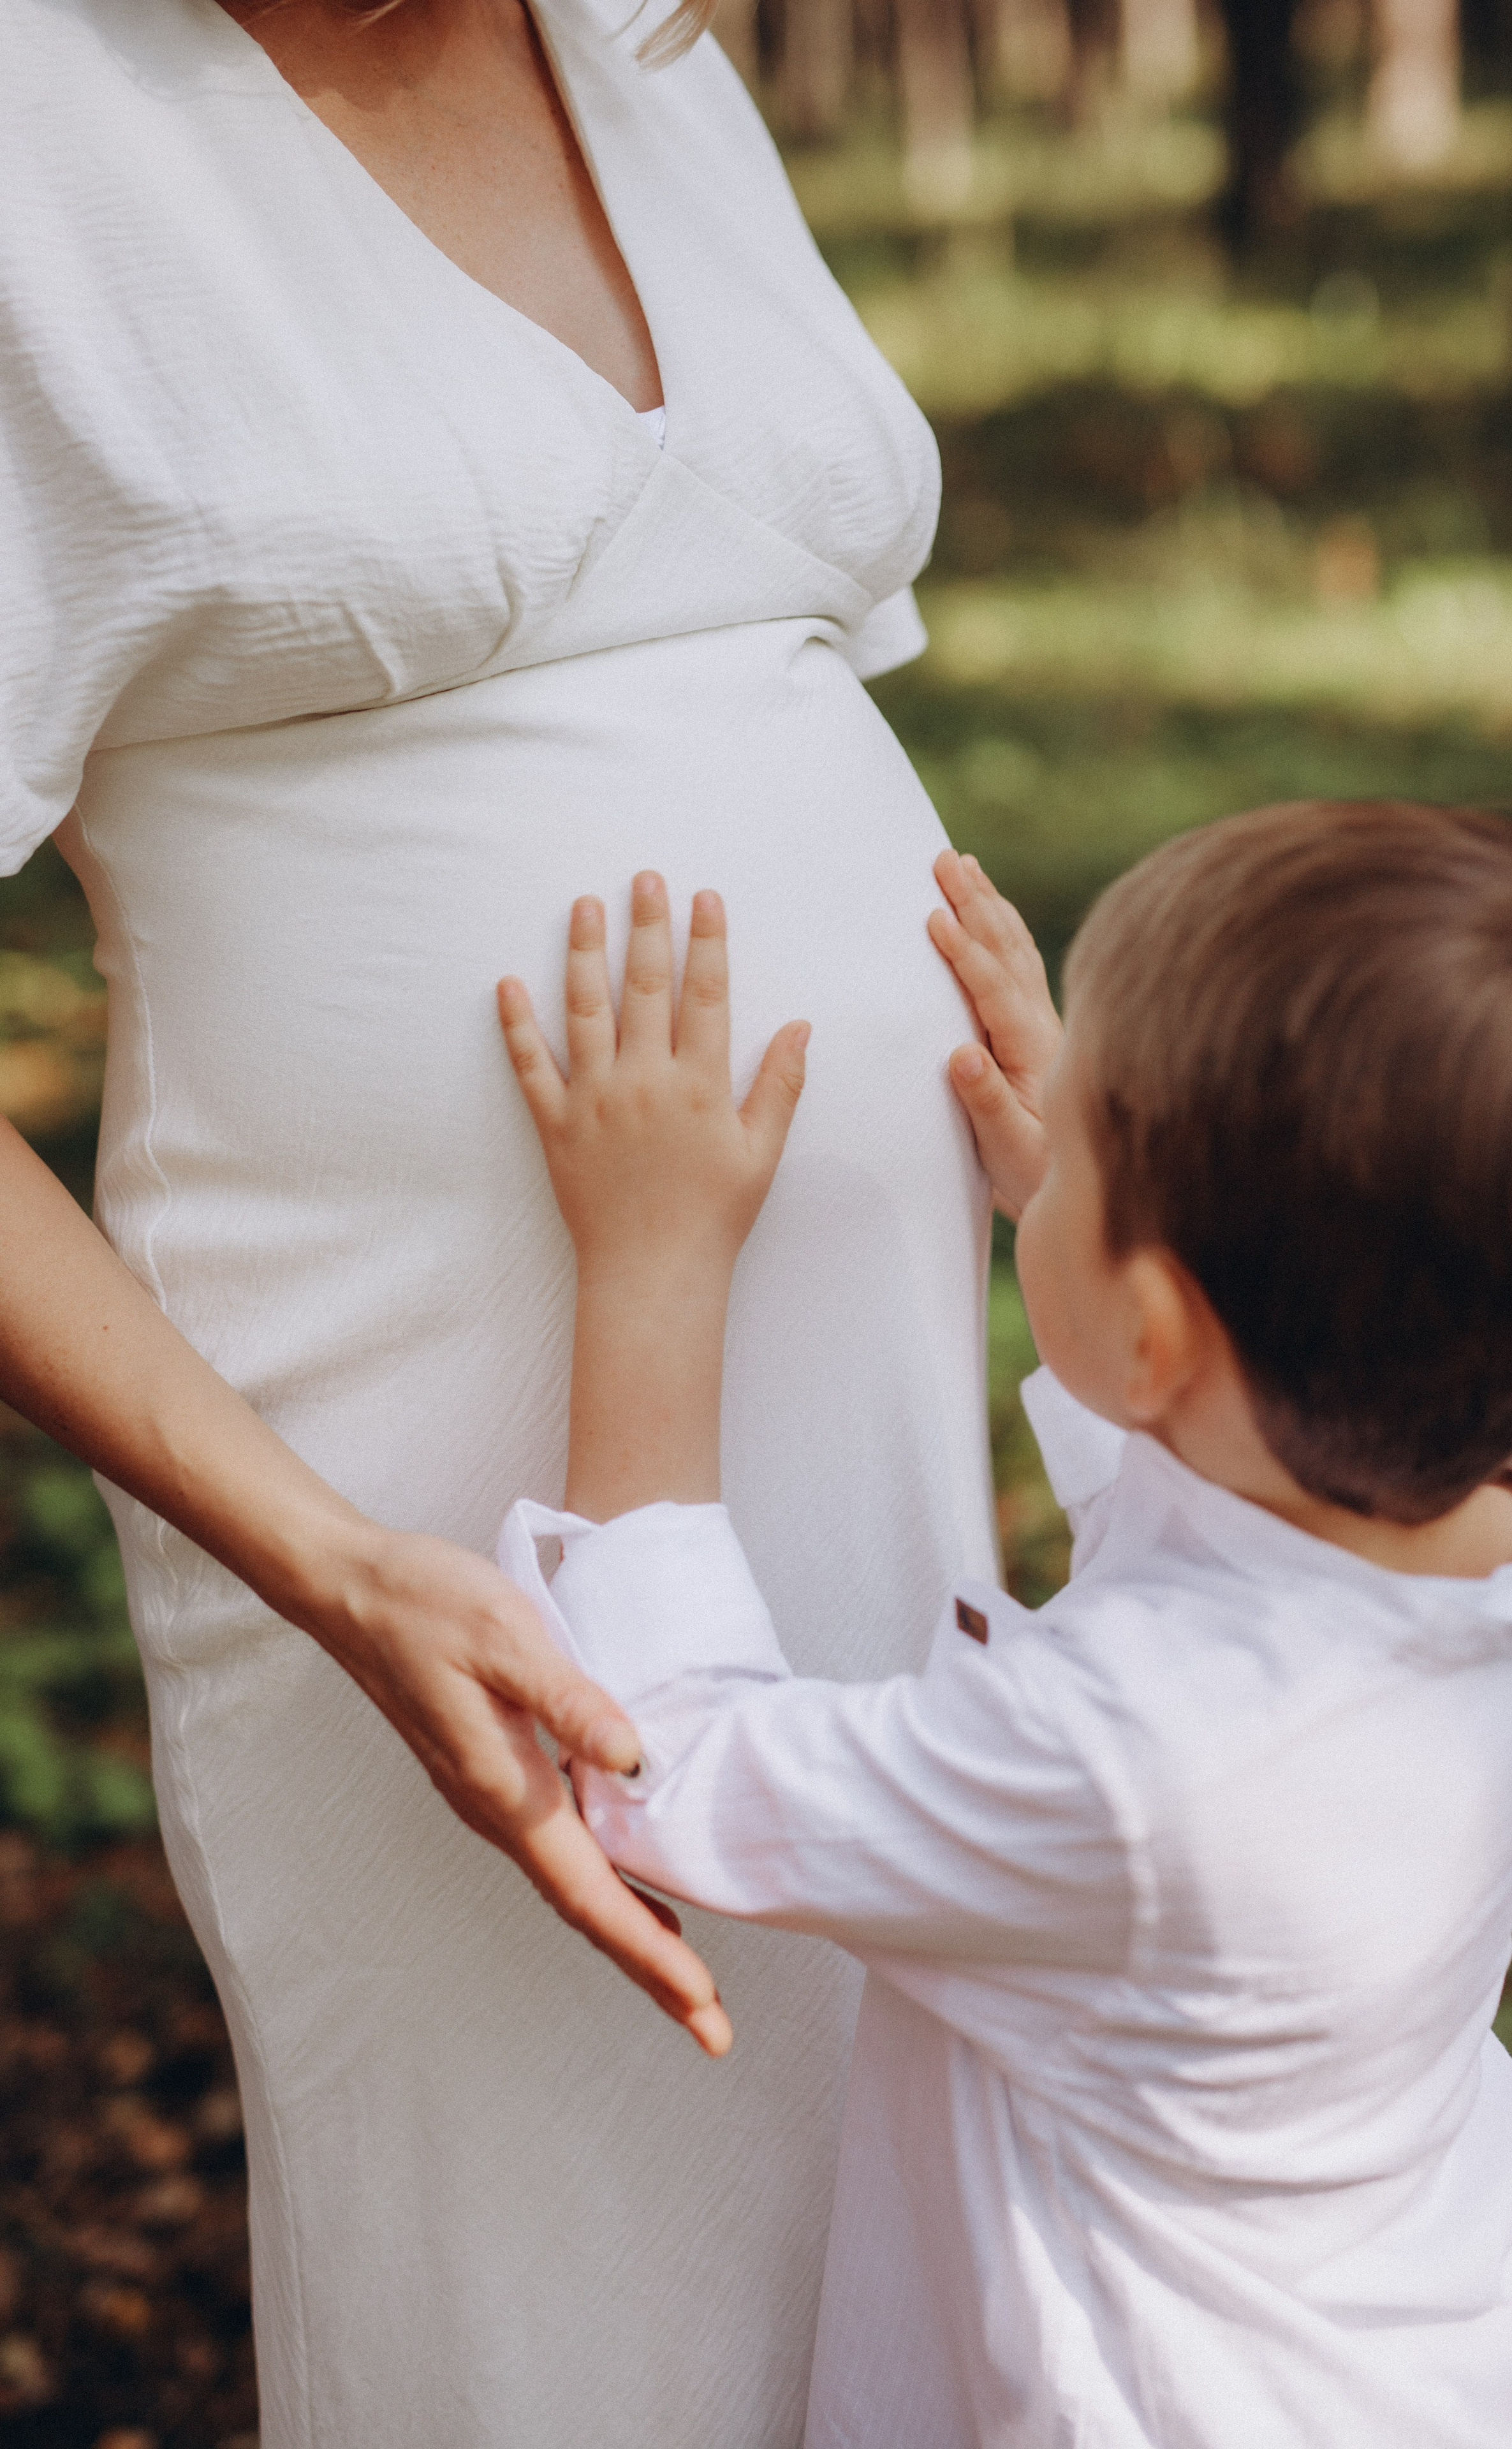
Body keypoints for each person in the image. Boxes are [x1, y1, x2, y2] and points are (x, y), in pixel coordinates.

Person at [0, 0, 994, 2437]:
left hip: (871, 1395)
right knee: (552, 2279)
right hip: (396, 1465)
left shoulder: (642, 46)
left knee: (896, 2194)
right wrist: (329, 1564)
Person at [495, 804, 1512, 2448]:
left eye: (1080, 1138)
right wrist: (1105, 1205)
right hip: (1446, 2350)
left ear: (1159, 1335)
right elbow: (1238, 1555)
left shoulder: (1119, 1766)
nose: (1048, 1136)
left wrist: (651, 1266)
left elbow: (660, 1757)